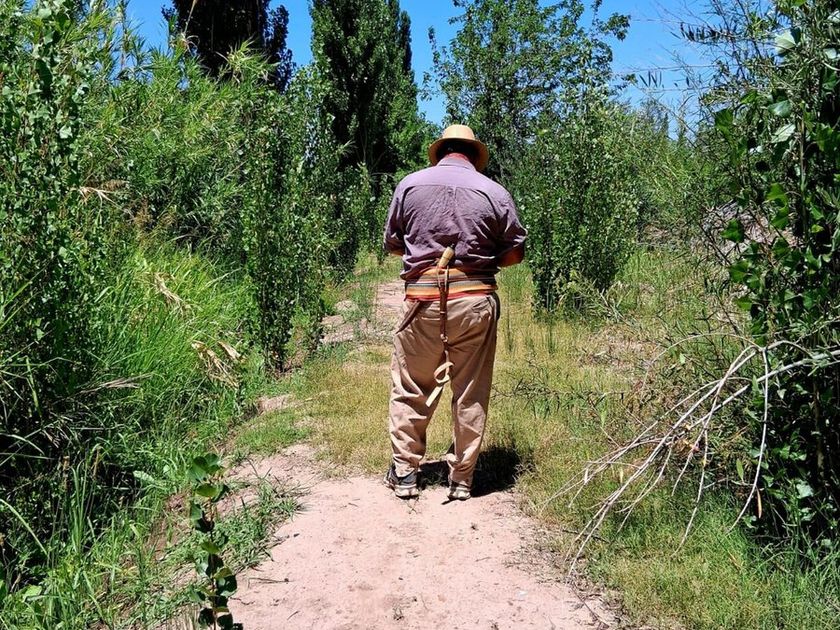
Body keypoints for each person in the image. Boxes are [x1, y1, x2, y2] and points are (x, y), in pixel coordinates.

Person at [382, 124, 527, 500]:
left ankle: (405, 473)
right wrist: (481, 260)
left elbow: (393, 243)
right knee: (470, 391)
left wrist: (422, 254)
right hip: (474, 300)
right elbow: (515, 252)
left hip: (422, 299)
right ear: (474, 155)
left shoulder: (409, 185)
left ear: (441, 152)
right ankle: (462, 479)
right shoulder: (494, 192)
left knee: (411, 386)